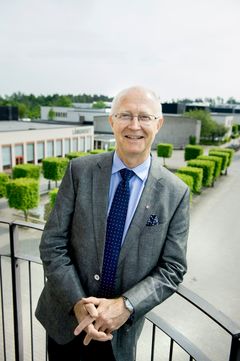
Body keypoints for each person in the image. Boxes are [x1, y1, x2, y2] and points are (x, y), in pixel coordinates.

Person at [35, 86, 190, 361]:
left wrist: (127, 306)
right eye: (125, 115)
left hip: (118, 336)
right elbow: (52, 244)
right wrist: (78, 304)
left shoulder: (176, 193)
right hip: (65, 324)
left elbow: (172, 268)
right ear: (111, 121)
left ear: (159, 123)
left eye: (144, 117)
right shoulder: (79, 171)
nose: (134, 125)